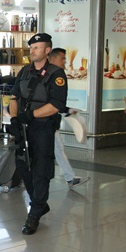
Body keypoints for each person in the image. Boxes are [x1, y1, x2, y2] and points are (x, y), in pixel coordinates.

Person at [9, 33, 67, 235]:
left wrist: (30, 115)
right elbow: (14, 97)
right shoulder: (24, 71)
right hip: (23, 128)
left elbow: (55, 105)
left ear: (47, 50)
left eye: (37, 48)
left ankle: (34, 214)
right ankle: (40, 203)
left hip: (42, 128)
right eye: (31, 47)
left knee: (40, 170)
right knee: (23, 166)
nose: (32, 51)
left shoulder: (56, 74)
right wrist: (15, 119)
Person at [48, 48, 89, 189]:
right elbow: (50, 101)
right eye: (62, 58)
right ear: (52, 59)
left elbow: (54, 102)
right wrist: (66, 109)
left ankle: (70, 177)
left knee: (57, 149)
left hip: (50, 121)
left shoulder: (51, 74)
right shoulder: (52, 76)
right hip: (45, 121)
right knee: (52, 150)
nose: (65, 61)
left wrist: (67, 109)